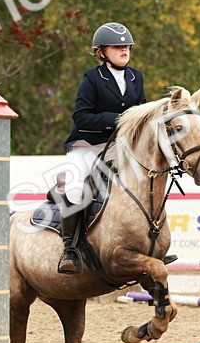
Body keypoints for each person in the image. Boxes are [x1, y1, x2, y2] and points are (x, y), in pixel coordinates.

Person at [52, 22, 148, 274]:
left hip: (119, 147)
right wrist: (119, 119)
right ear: (102, 52)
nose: (124, 50)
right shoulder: (92, 78)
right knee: (75, 188)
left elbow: (143, 113)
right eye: (118, 46)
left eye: (127, 46)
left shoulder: (135, 76)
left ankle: (152, 242)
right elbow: (81, 116)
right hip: (87, 145)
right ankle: (69, 250)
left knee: (146, 178)